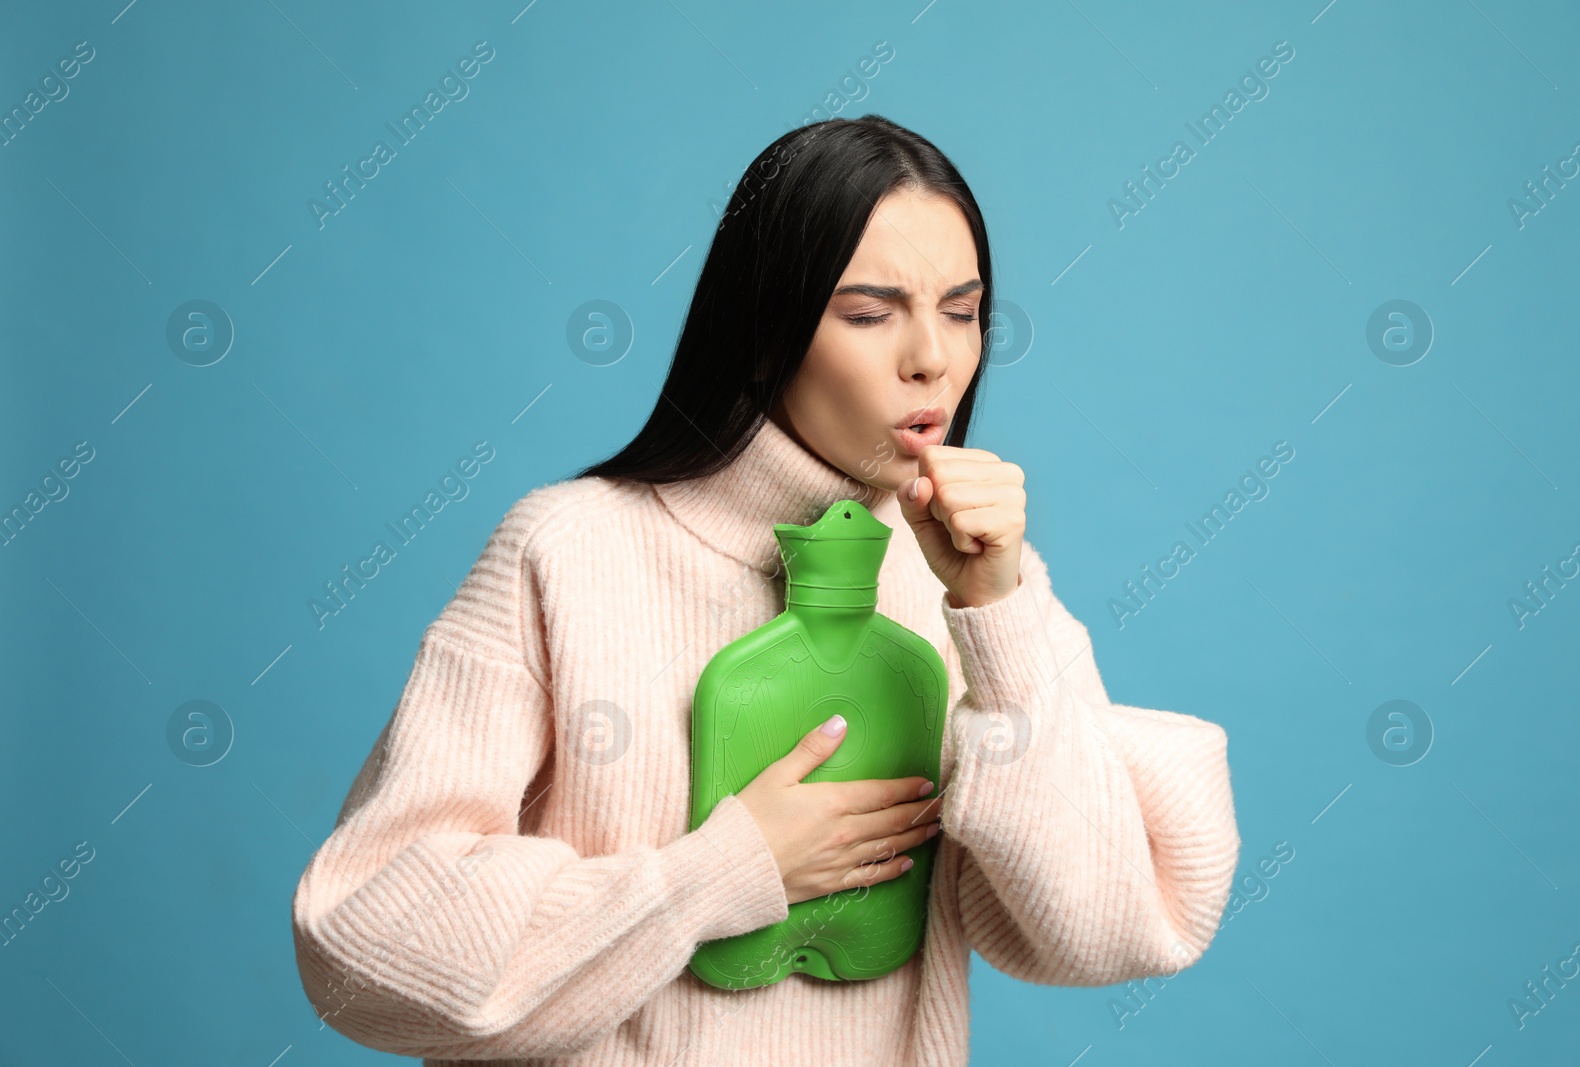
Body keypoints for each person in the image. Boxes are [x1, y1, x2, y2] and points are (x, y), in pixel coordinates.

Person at [291, 114, 1240, 1066]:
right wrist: (719, 873)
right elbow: (359, 945)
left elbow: (1109, 930)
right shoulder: (569, 550)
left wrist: (998, 613)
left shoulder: (977, 593)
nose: (933, 359)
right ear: (759, 335)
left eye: (960, 309)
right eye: (869, 313)